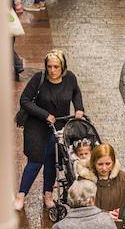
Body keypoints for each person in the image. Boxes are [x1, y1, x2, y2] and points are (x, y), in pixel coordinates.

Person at [15, 50, 85, 211]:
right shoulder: (38, 79)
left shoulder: (70, 78)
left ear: (63, 67)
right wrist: (45, 114)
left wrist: (79, 108)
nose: (52, 70)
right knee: (35, 160)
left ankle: (48, 194)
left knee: (52, 161)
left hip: (59, 125)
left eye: (56, 67)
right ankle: (21, 195)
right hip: (37, 125)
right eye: (49, 67)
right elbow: (24, 100)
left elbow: (76, 92)